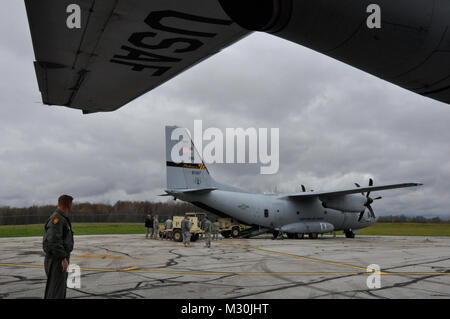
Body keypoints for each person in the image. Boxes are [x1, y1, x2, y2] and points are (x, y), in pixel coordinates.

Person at [42, 195, 74, 299]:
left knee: (58, 290)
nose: (72, 206)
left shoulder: (61, 218)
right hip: (57, 260)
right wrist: (63, 258)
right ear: (68, 204)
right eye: (71, 204)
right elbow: (53, 241)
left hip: (59, 258)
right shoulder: (57, 218)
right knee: (56, 292)